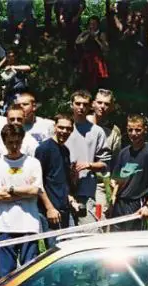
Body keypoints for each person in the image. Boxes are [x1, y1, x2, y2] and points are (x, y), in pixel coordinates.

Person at [0, 124, 45, 277]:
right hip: (5, 225)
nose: (14, 146)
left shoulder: (33, 163)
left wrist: (11, 189)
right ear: (4, 142)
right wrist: (24, 191)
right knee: (6, 274)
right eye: (10, 143)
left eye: (17, 142)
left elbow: (35, 191)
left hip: (29, 224)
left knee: (29, 273)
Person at [110, 114, 148, 230]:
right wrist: (113, 196)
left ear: (145, 130)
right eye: (130, 130)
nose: (133, 133)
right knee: (115, 241)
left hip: (136, 204)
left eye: (138, 130)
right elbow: (117, 179)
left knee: (134, 243)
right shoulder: (123, 153)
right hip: (119, 205)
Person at [66, 90, 110, 223]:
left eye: (85, 104)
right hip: (62, 191)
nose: (81, 107)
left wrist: (89, 165)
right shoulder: (62, 128)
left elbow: (105, 164)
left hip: (85, 191)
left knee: (88, 233)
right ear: (71, 105)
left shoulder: (97, 131)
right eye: (78, 103)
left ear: (90, 106)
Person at [35, 114, 75, 246]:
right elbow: (38, 183)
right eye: (61, 127)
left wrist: (70, 198)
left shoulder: (65, 151)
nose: (64, 131)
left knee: (70, 249)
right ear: (54, 127)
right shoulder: (44, 149)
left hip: (64, 209)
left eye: (68, 128)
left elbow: (61, 179)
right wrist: (49, 208)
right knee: (54, 251)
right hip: (51, 211)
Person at [89, 89, 122, 183]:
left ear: (112, 107)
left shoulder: (114, 132)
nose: (102, 106)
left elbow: (115, 162)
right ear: (93, 104)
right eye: (99, 102)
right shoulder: (80, 125)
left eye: (106, 104)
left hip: (101, 182)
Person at [76, 16, 109, 91]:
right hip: (86, 58)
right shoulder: (86, 33)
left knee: (97, 77)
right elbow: (78, 42)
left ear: (98, 24)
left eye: (94, 24)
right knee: (86, 77)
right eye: (90, 24)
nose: (92, 26)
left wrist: (97, 40)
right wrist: (84, 34)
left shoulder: (101, 34)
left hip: (97, 58)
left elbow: (106, 48)